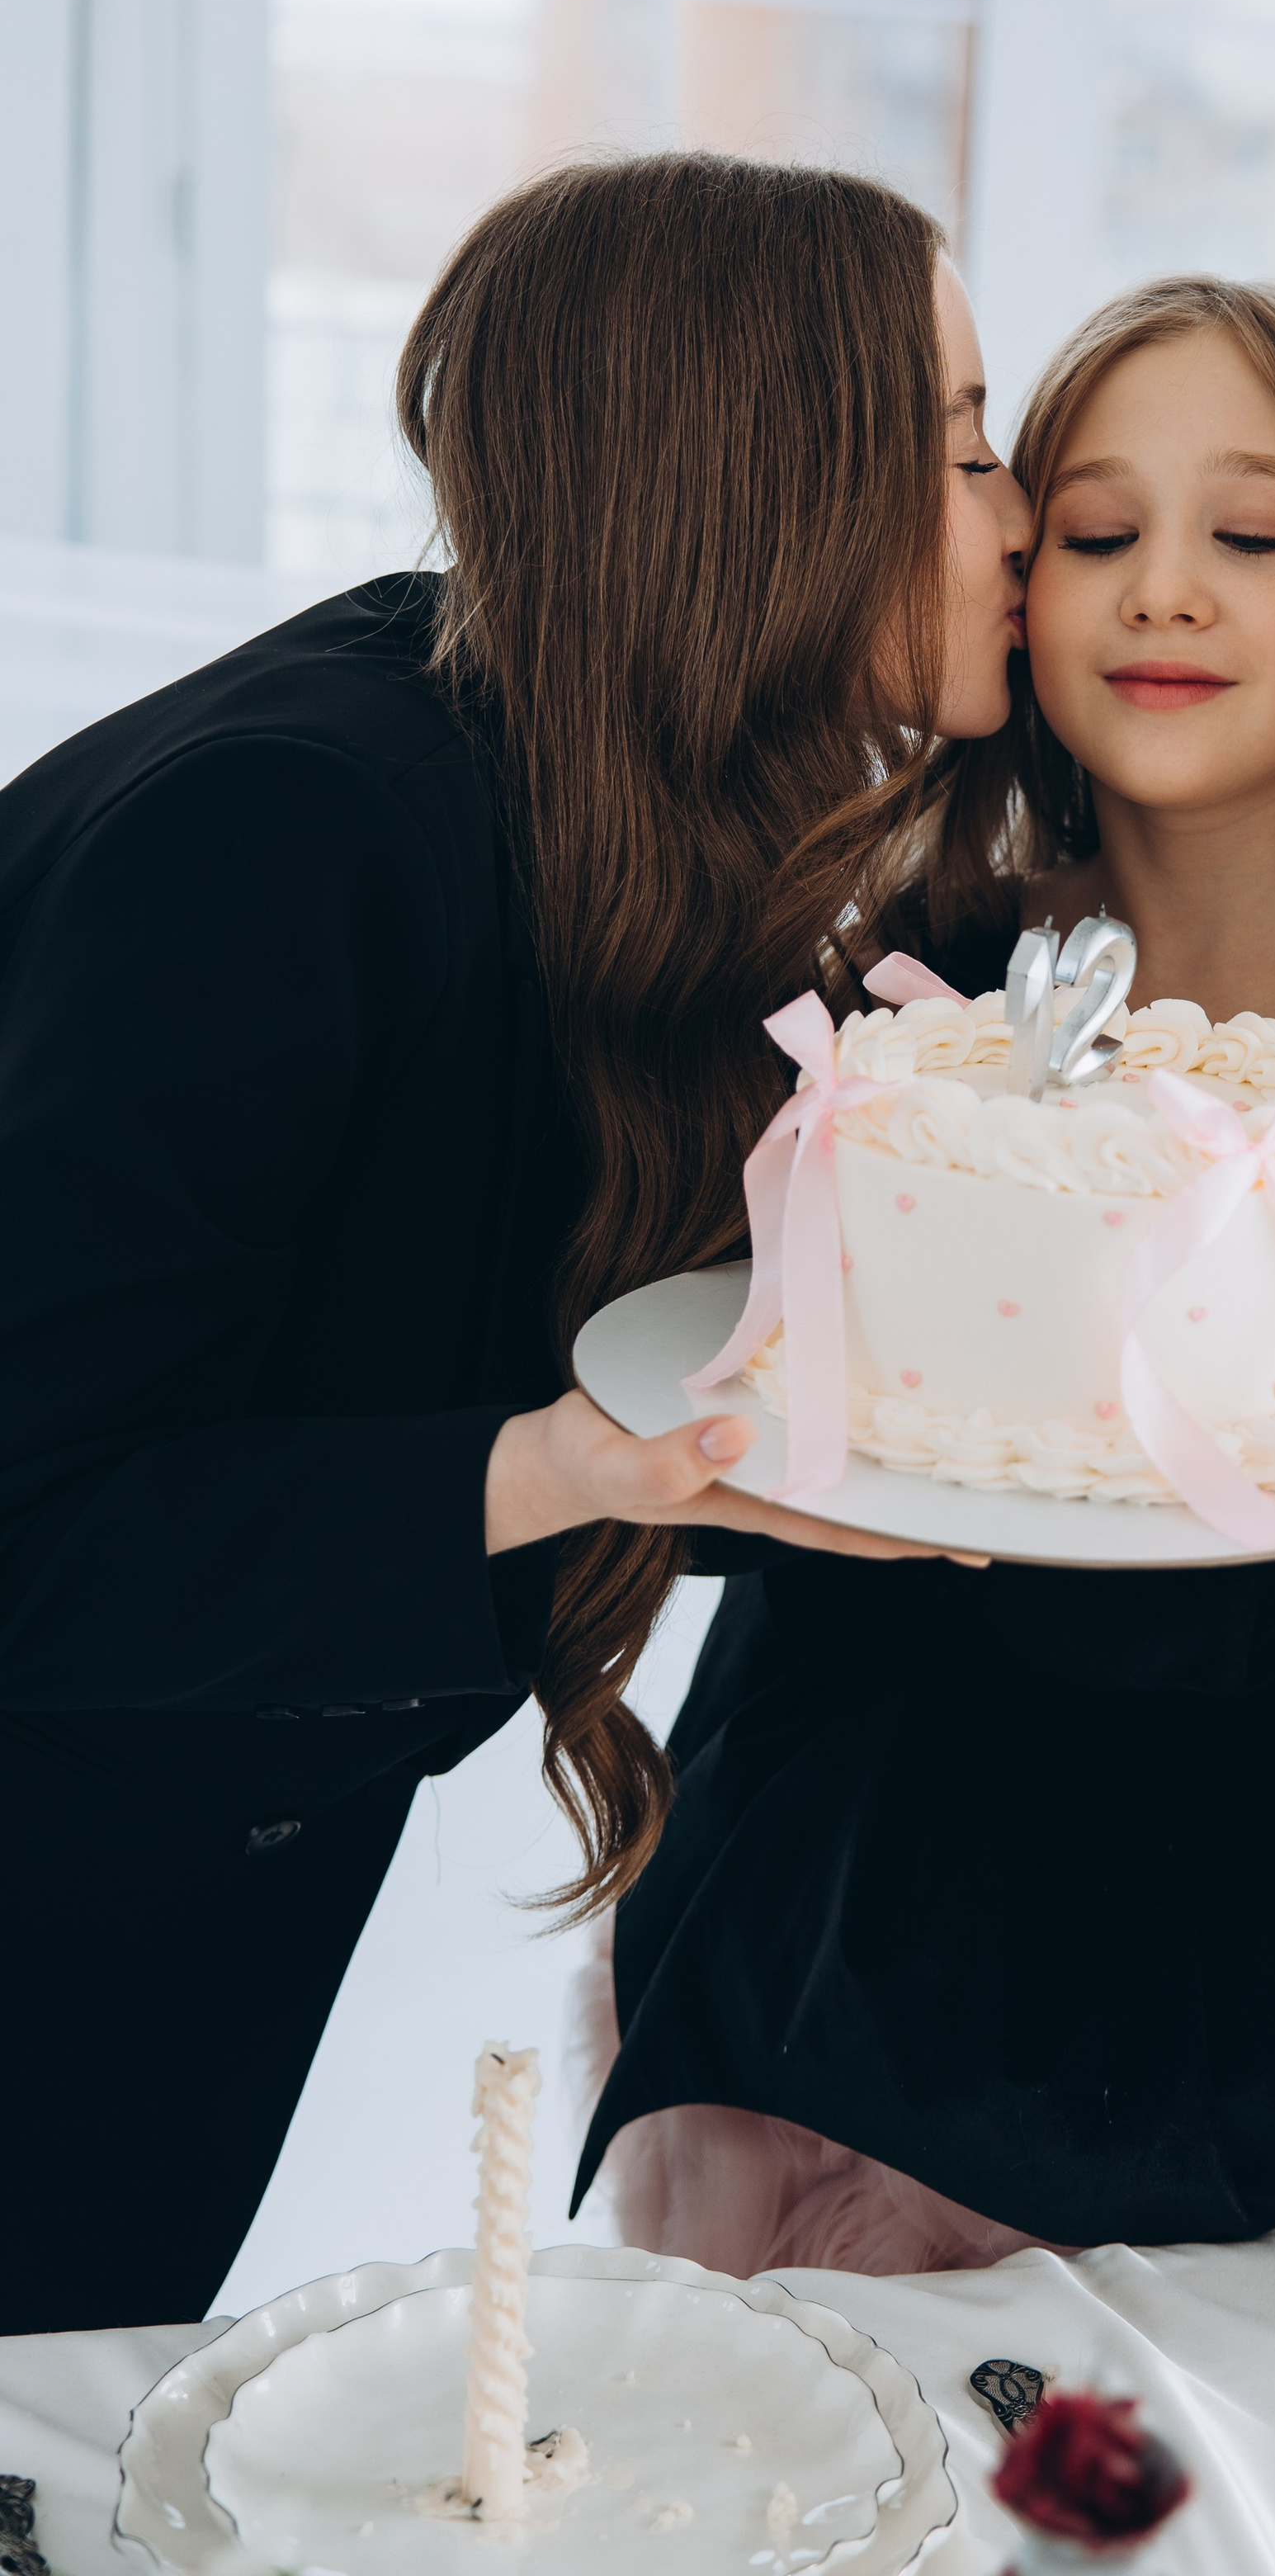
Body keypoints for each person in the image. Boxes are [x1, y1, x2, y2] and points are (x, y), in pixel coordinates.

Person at [578, 276, 1275, 2273]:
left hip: (1240, 2028)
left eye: (1253, 536)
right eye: (1096, 536)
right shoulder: (905, 994)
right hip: (837, 1937)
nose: (1163, 596)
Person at [0, 149, 1028, 2330]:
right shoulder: (284, 833)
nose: (1019, 515)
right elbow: (37, 1514)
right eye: (963, 444)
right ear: (764, 483)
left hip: (200, 1843)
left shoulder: (634, 807)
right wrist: (556, 1471)